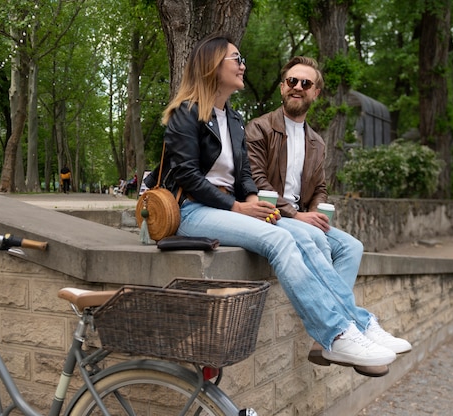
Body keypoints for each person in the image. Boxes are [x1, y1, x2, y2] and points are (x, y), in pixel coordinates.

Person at [144, 33, 410, 374]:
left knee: (312, 237)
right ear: (212, 66)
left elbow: (243, 177)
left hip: (227, 208)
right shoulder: (186, 114)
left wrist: (254, 200)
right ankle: (336, 333)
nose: (243, 66)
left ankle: (357, 323)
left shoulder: (234, 119)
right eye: (236, 59)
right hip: (191, 211)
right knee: (280, 238)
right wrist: (238, 207)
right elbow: (188, 177)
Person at [244, 57, 397, 374]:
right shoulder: (258, 128)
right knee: (317, 238)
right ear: (282, 87)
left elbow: (321, 186)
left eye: (306, 83)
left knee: (352, 246)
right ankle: (347, 328)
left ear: (316, 94)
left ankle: (326, 343)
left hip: (301, 218)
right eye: (291, 81)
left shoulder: (317, 141)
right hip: (270, 214)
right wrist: (297, 216)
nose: (297, 87)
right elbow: (257, 181)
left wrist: (315, 211)